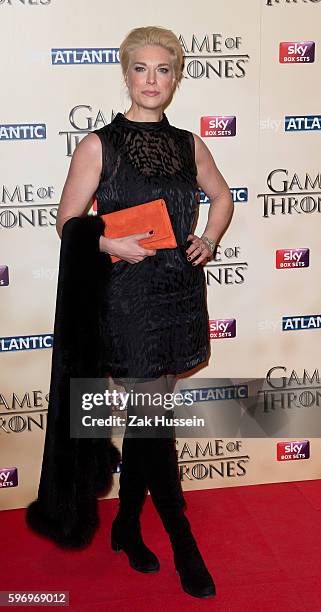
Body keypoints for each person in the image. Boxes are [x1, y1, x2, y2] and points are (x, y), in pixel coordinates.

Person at [56, 25, 233, 599]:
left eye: (164, 70)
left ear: (176, 77)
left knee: (147, 423)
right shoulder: (98, 144)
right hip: (125, 303)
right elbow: (68, 223)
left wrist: (208, 238)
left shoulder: (189, 144)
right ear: (126, 73)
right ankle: (183, 543)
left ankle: (128, 528)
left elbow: (223, 198)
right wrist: (110, 244)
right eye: (141, 69)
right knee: (155, 424)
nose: (152, 80)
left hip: (178, 296)